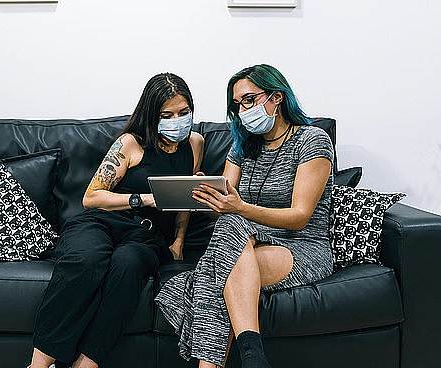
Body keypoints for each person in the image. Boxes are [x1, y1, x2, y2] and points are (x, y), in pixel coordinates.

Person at [155, 64, 335, 368]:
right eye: (237, 105)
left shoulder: (311, 140)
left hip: (302, 247)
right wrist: (202, 189)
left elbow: (300, 217)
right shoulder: (242, 146)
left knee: (211, 274)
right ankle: (253, 357)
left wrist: (239, 208)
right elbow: (228, 196)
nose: (242, 110)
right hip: (246, 246)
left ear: (277, 97)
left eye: (249, 99)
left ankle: (245, 356)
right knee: (229, 235)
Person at [29, 72, 205, 368]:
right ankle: (38, 365)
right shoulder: (130, 144)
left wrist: (178, 241)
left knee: (128, 265)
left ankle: (85, 364)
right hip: (102, 222)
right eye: (168, 114)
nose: (178, 120)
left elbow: (184, 200)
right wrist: (143, 198)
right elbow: (91, 197)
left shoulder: (195, 143)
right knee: (86, 261)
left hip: (148, 237)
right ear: (152, 114)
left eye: (184, 112)